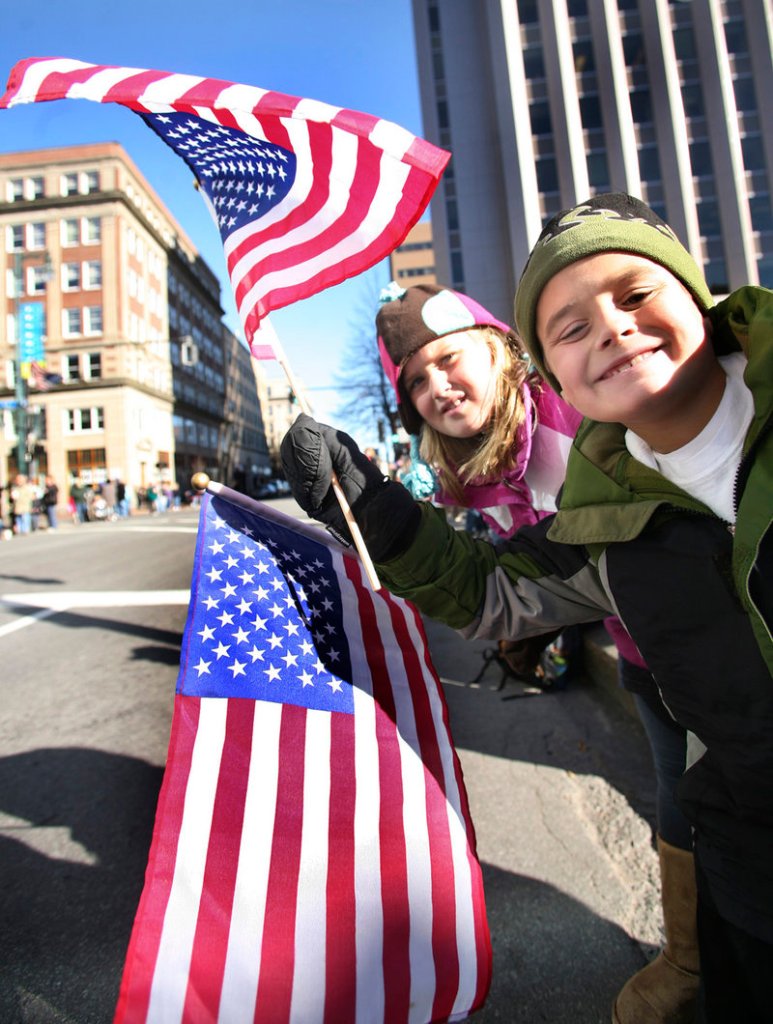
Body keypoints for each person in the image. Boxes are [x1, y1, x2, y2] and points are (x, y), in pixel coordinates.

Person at [281, 192, 772, 1022]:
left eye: (633, 295)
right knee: (688, 810)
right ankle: (692, 958)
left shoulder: (572, 427)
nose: (611, 332)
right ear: (548, 357)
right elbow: (495, 583)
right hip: (700, 725)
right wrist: (363, 500)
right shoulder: (571, 504)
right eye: (570, 329)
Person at [376, 279, 697, 1020]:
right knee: (679, 802)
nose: (437, 386)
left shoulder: (575, 406)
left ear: (497, 348)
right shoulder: (468, 464)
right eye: (416, 382)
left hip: (709, 632)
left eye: (449, 360)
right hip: (641, 651)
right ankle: (688, 958)